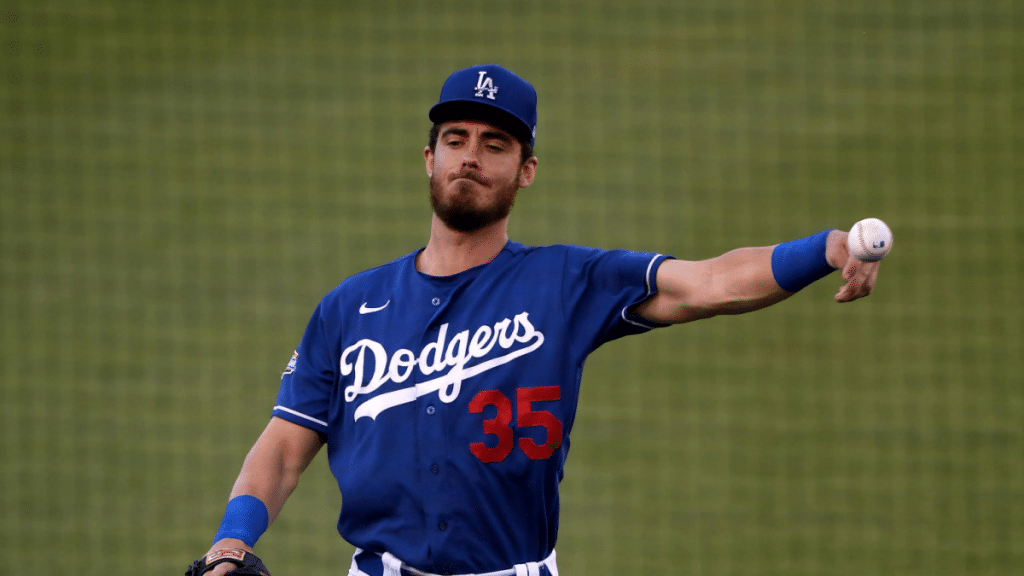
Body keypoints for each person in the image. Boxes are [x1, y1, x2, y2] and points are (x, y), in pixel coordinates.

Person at [189, 64, 881, 576]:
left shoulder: (567, 282)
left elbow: (710, 283)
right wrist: (231, 542)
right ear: (429, 159)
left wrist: (824, 248)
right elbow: (282, 449)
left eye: (496, 144)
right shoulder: (349, 308)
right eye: (455, 138)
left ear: (526, 171)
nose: (471, 156)